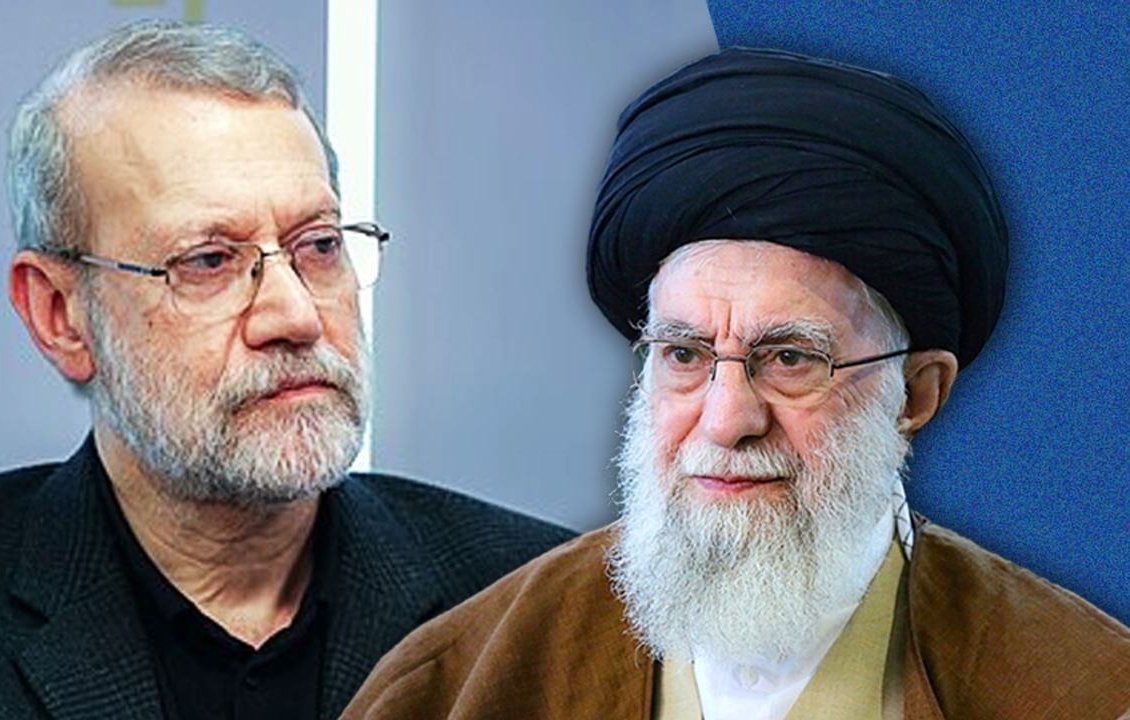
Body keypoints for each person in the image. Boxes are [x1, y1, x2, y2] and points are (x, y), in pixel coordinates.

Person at [343, 48, 1130, 720]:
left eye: (789, 359)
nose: (726, 419)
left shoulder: (1087, 689)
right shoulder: (457, 684)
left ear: (916, 394)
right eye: (684, 355)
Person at [0, 20, 571, 720]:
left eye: (319, 245)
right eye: (209, 260)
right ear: (60, 314)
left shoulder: (537, 604)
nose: (295, 316)